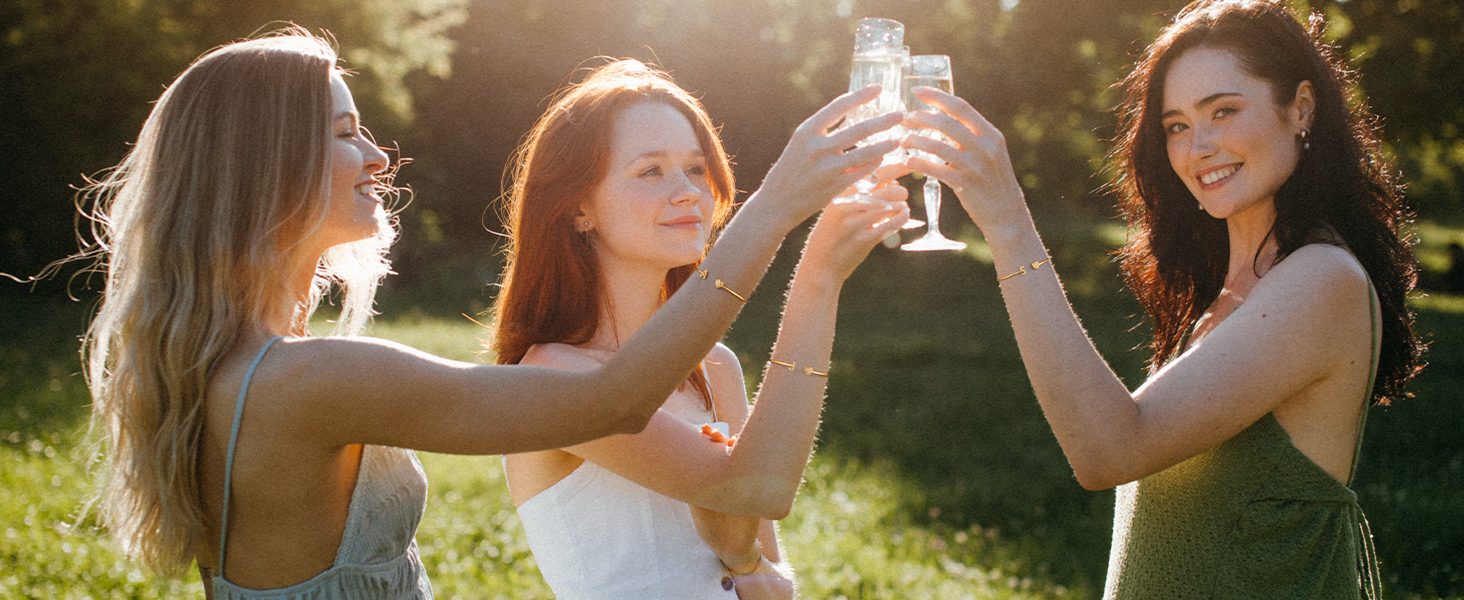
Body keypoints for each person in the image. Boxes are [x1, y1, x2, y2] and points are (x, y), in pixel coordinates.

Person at [75, 29, 900, 599]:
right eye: (346, 132)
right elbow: (614, 401)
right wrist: (780, 220)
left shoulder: (278, 363)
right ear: (264, 163)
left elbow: (734, 516)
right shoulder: (310, 378)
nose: (375, 156)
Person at [901, 0, 1422, 597]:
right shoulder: (1230, 289)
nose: (1197, 147)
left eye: (1222, 111)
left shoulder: (1323, 280)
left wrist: (1009, 223)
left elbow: (1108, 448)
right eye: (1176, 125)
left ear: (1301, 108)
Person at [492, 59, 908, 600]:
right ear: (578, 209)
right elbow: (761, 488)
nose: (688, 191)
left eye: (695, 168)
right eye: (651, 171)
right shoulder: (552, 377)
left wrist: (751, 563)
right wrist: (817, 278)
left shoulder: (716, 368)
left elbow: (770, 581)